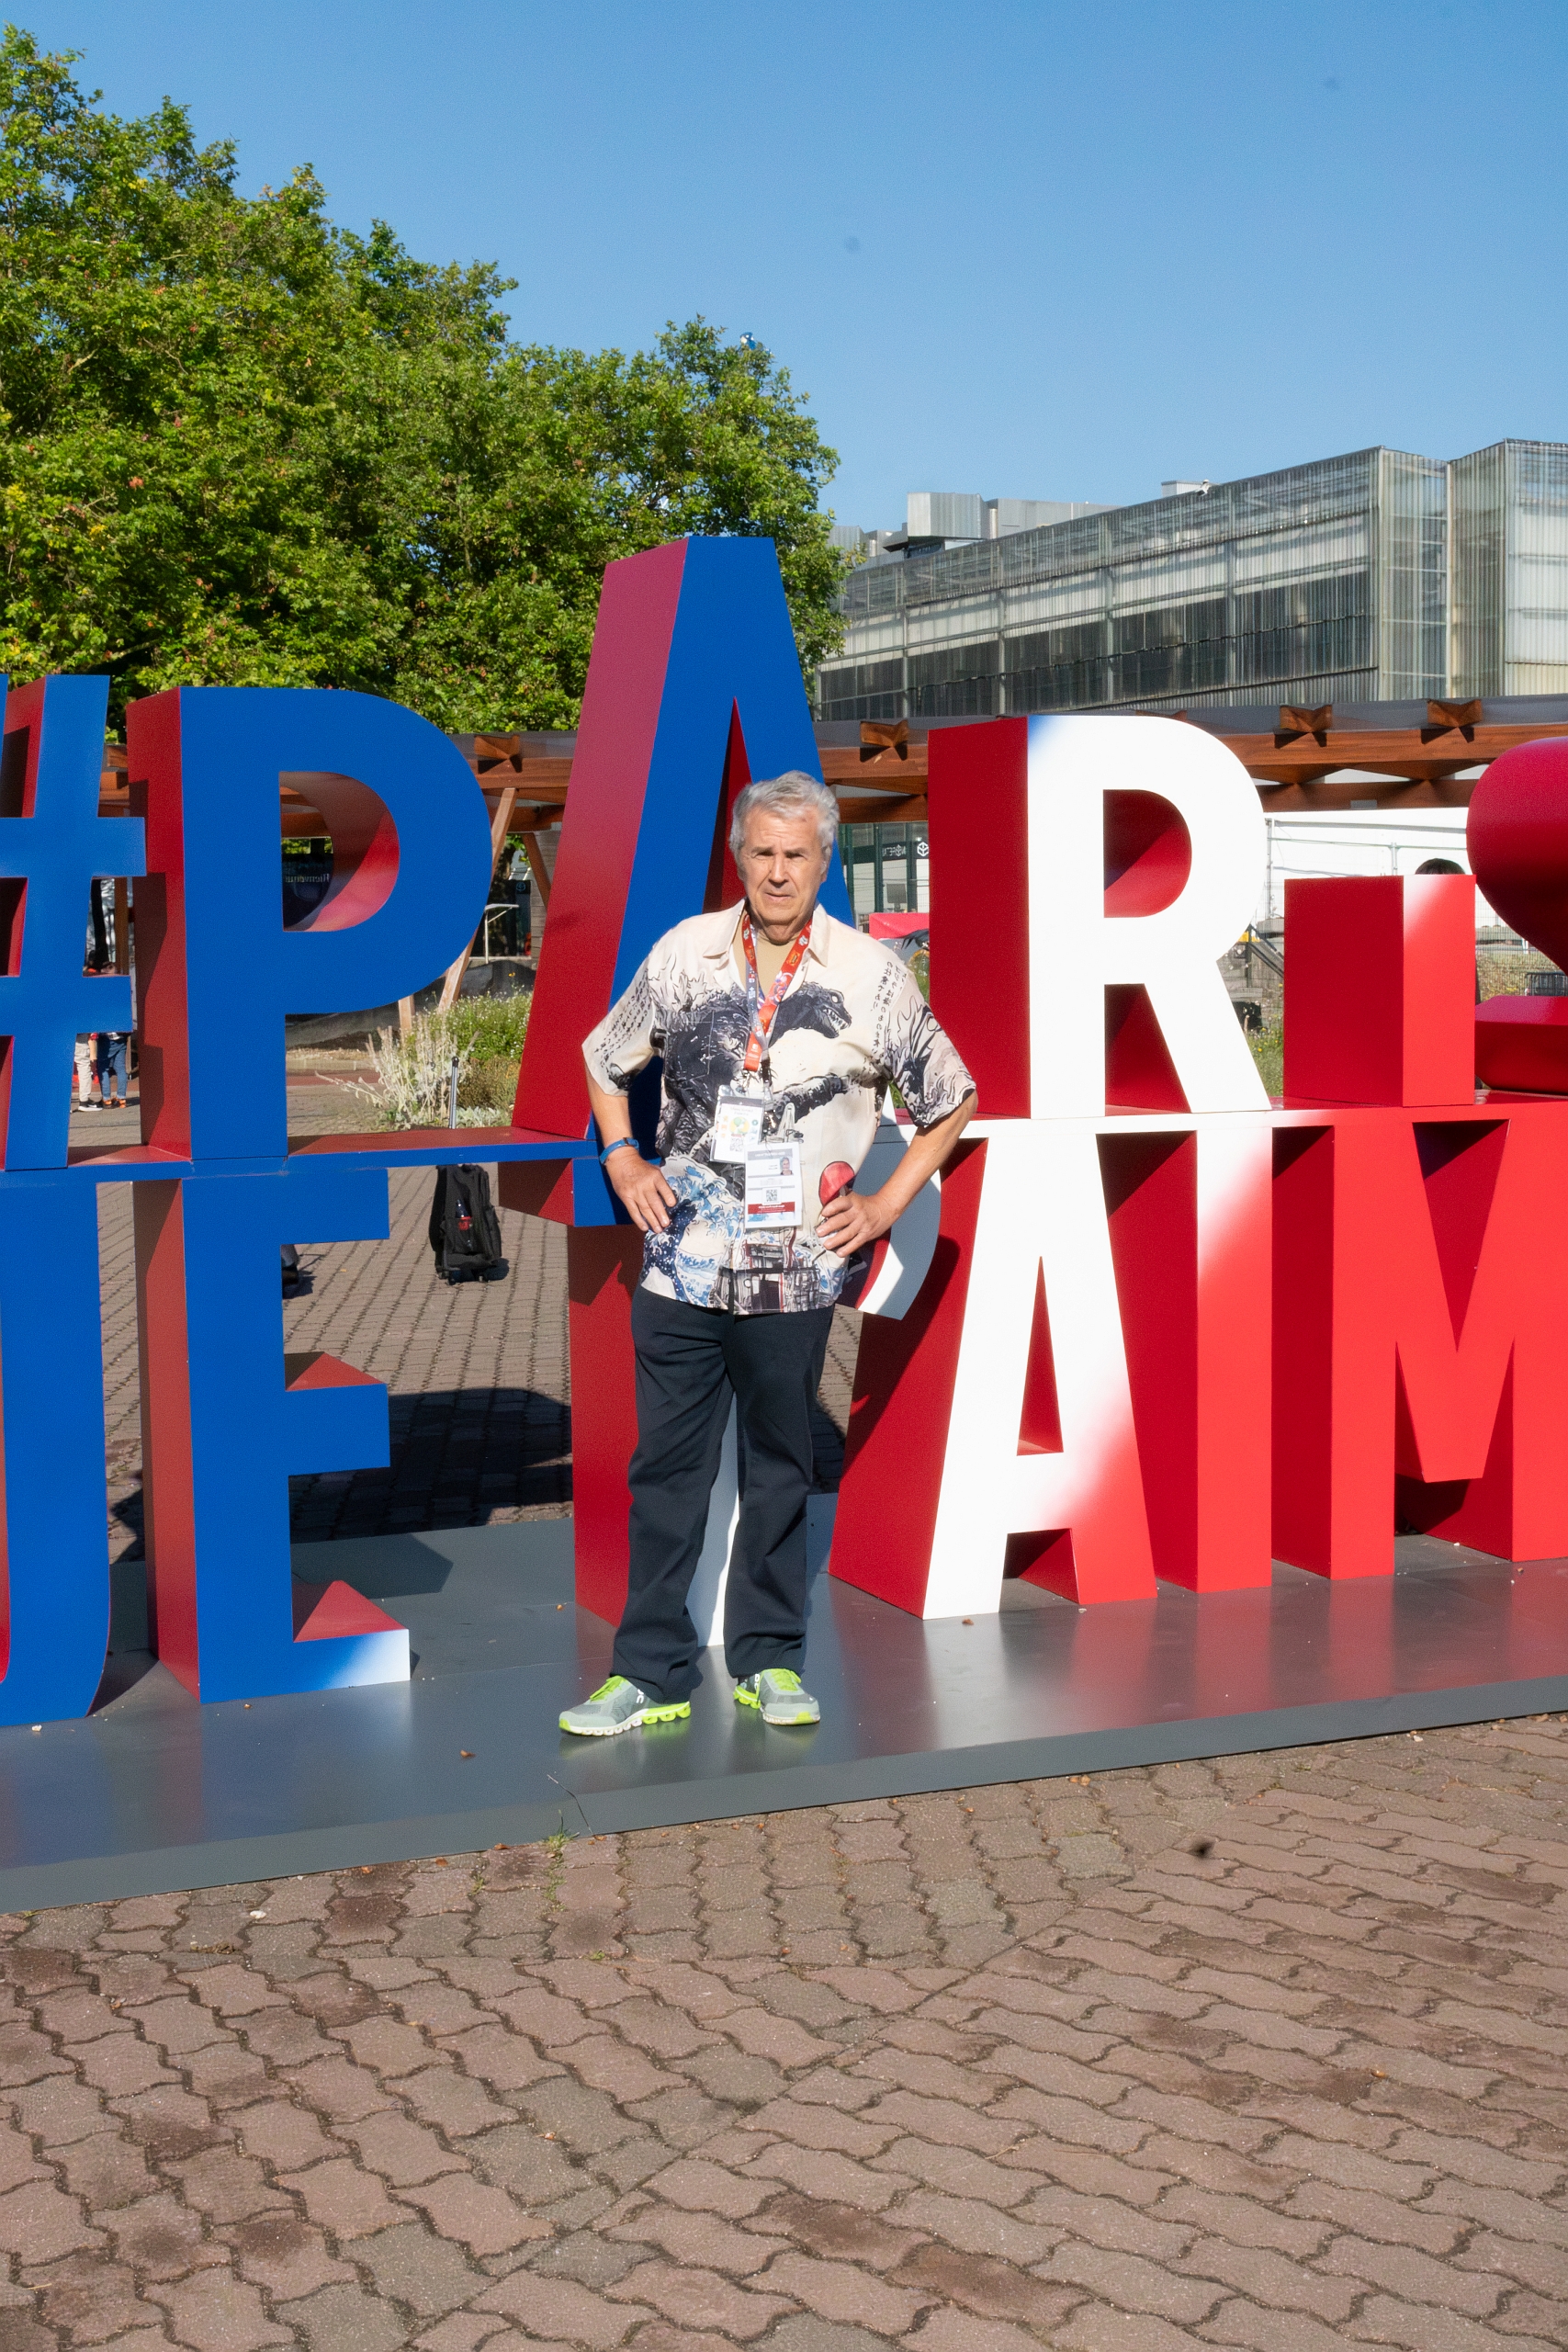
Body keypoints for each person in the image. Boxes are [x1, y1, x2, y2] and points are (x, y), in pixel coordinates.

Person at [561, 771, 976, 1738]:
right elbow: (605, 1052)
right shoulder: (687, 954)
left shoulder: (871, 976)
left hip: (796, 1266)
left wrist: (883, 1204)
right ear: (739, 857)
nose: (778, 871)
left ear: (824, 862)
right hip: (683, 1258)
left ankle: (770, 1663)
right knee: (665, 1470)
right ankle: (648, 1674)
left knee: (780, 1465)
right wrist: (622, 1154)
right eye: (762, 852)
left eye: (796, 854)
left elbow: (950, 1094)